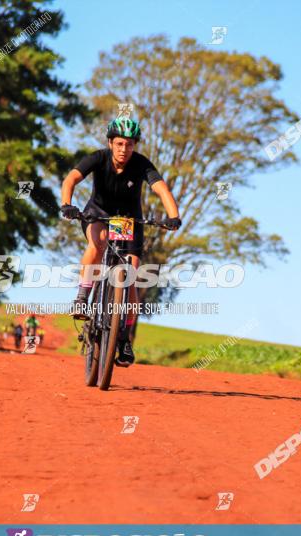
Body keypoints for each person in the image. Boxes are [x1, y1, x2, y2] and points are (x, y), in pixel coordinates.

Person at [59, 116, 181, 367]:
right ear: (110, 143)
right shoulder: (98, 158)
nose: (124, 150)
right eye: (119, 144)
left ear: (134, 145)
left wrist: (174, 216)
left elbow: (161, 189)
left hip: (129, 221)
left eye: (129, 144)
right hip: (98, 215)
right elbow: (71, 179)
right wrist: (67, 204)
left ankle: (123, 337)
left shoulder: (141, 164)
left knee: (132, 277)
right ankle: (82, 297)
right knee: (99, 242)